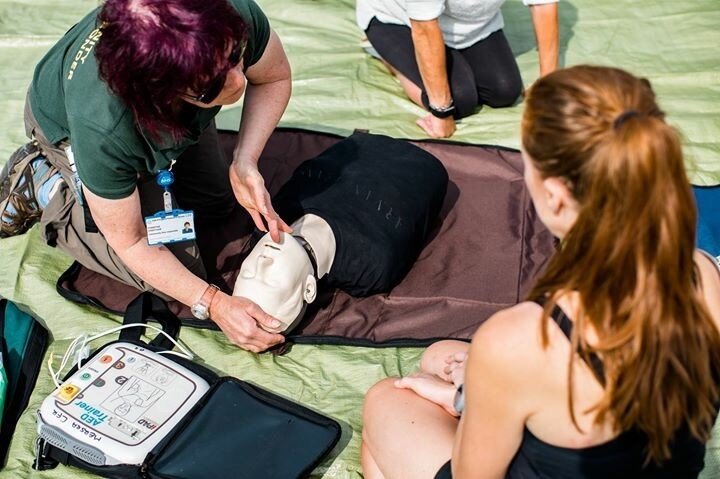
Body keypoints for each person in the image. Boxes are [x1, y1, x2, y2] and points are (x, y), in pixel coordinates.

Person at [361, 65, 720, 478]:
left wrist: (476, 399)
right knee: (441, 356)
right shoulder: (701, 272)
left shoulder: (523, 340)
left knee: (386, 399)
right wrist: (469, 393)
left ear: (555, 193)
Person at [0, 0, 293, 352]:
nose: (238, 82)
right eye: (211, 86)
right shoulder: (106, 128)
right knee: (184, 276)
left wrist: (245, 160)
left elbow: (274, 76)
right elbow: (131, 242)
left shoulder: (225, 14)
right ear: (159, 93)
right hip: (70, 129)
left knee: (216, 207)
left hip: (163, 113)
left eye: (236, 54)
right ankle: (46, 186)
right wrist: (213, 303)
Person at [233, 133, 448, 333]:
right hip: (422, 161)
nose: (262, 262)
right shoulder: (370, 264)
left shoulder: (267, 218)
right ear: (309, 289)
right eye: (270, 280)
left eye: (247, 272)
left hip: (360, 142)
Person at [357, 0, 559, 138]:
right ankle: (389, 57)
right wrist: (441, 112)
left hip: (471, 26)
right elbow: (425, 29)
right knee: (459, 101)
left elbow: (543, 5)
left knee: (504, 91)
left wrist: (548, 84)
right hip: (400, 22)